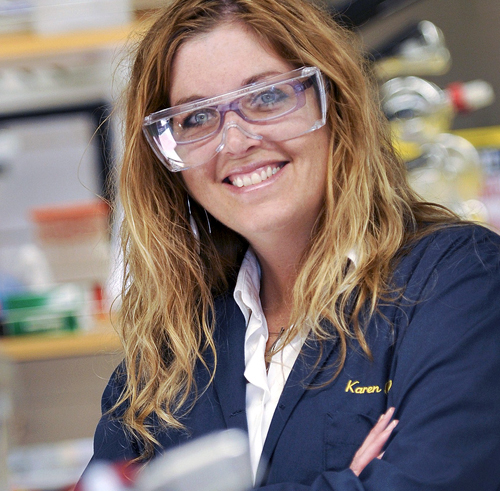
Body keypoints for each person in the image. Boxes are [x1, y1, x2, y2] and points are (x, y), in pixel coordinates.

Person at [86, 0, 500, 488]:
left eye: (267, 96)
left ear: (335, 103)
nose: (236, 142)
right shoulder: (171, 351)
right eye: (196, 119)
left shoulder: (459, 282)